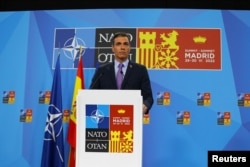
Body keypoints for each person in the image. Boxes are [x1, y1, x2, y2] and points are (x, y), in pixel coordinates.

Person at [89, 32, 154, 114]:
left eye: (125, 44)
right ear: (113, 48)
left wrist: (145, 105)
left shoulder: (140, 70)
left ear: (129, 48)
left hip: (130, 117)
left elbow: (148, 97)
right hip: (106, 117)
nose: (122, 47)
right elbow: (92, 94)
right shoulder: (102, 71)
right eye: (118, 44)